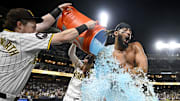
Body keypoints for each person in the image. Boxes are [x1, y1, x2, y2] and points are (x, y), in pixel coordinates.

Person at [0, 3, 97, 101]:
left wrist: (58, 10)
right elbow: (63, 37)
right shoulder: (23, 39)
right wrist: (86, 26)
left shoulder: (6, 35)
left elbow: (44, 23)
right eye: (33, 27)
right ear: (20, 25)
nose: (35, 30)